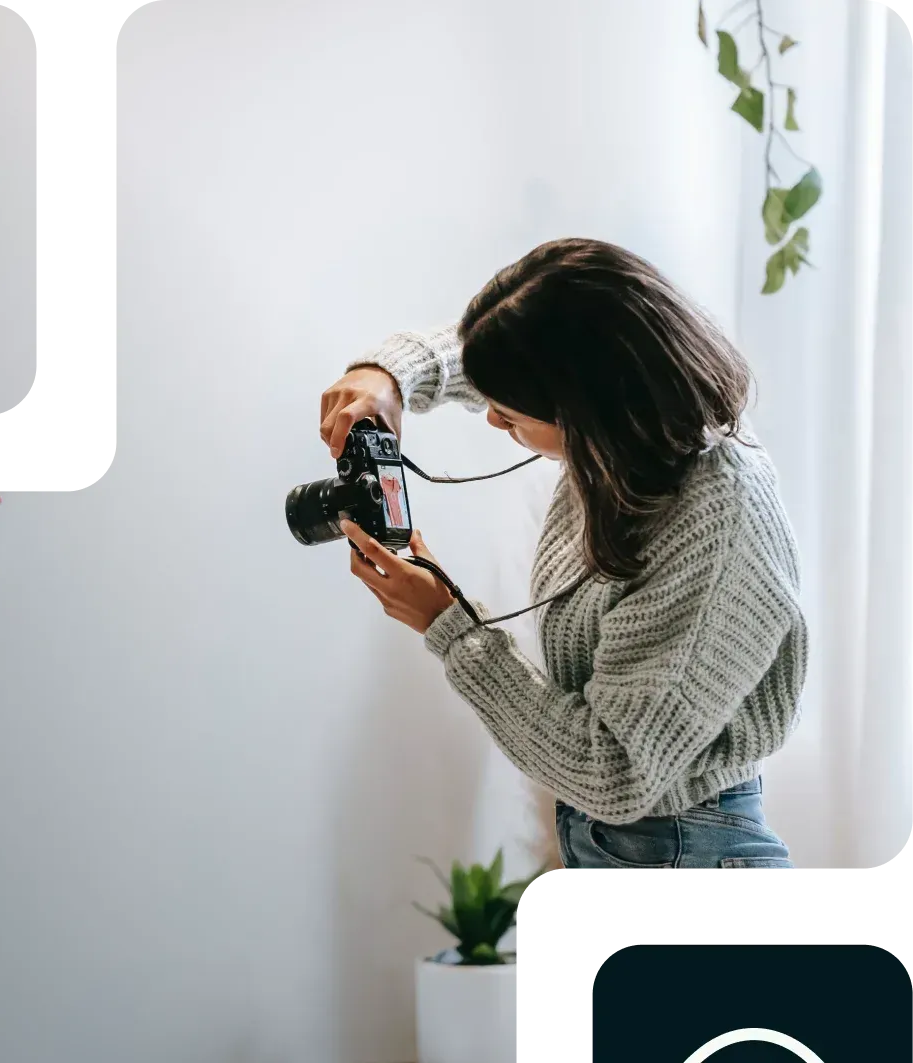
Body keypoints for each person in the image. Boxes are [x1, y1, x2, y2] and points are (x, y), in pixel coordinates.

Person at [319, 237, 807, 871]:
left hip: (683, 852)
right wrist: (387, 378)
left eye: (512, 412)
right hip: (641, 846)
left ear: (587, 407)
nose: (494, 421)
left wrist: (449, 627)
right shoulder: (643, 434)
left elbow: (616, 772)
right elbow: (505, 352)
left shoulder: (713, 520)